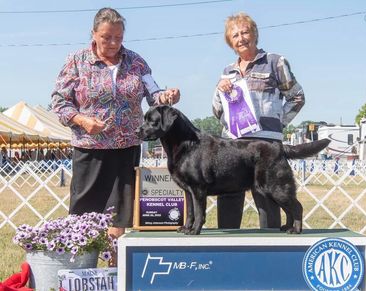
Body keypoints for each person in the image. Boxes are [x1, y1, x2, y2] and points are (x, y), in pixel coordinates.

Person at [51, 7, 180, 260]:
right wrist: (81, 120)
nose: (112, 43)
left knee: (120, 211)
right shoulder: (76, 61)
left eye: (118, 38)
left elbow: (153, 94)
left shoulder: (136, 61)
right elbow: (59, 101)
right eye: (106, 37)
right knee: (85, 212)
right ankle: (83, 270)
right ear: (93, 33)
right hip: (89, 148)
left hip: (127, 147)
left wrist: (167, 96)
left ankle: (116, 272)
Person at [212, 12, 305, 229]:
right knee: (229, 196)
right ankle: (226, 248)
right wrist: (219, 91)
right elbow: (217, 110)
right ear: (230, 43)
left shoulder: (275, 62)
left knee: (267, 197)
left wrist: (277, 122)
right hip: (234, 144)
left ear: (255, 34)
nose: (241, 38)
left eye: (245, 32)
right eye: (234, 35)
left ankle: (269, 247)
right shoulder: (227, 72)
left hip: (266, 144)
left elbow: (297, 97)